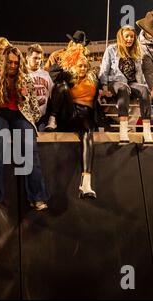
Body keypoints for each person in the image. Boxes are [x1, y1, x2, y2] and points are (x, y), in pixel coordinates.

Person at [0, 46, 49, 211]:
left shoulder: (25, 78)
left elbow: (33, 107)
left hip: (19, 115)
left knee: (30, 150)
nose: (13, 65)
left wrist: (24, 98)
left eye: (16, 63)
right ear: (3, 61)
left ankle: (37, 197)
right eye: (10, 62)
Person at [49, 50, 99, 198]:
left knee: (88, 132)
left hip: (86, 116)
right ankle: (53, 118)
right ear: (75, 66)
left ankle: (86, 183)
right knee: (61, 86)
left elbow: (103, 91)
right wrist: (67, 58)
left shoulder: (94, 79)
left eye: (84, 66)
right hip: (70, 113)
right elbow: (53, 74)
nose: (82, 69)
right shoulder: (69, 76)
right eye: (79, 66)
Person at [100, 25, 153, 144]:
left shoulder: (137, 52)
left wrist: (147, 88)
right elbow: (104, 69)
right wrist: (104, 86)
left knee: (144, 90)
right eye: (127, 36)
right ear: (121, 37)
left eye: (132, 37)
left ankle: (147, 131)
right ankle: (123, 131)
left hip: (132, 83)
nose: (129, 39)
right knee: (123, 88)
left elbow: (141, 73)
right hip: (114, 82)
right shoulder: (111, 49)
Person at [44, 33, 90, 131]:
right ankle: (52, 118)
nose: (77, 47)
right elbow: (48, 76)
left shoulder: (83, 61)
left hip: (74, 105)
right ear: (71, 43)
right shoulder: (57, 56)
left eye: (81, 45)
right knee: (62, 85)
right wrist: (64, 65)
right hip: (58, 99)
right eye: (75, 43)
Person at [25, 44, 54, 131]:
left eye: (39, 58)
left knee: (43, 140)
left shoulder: (46, 74)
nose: (38, 61)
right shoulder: (22, 73)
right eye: (35, 58)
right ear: (27, 58)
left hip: (42, 118)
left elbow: (52, 95)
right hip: (27, 117)